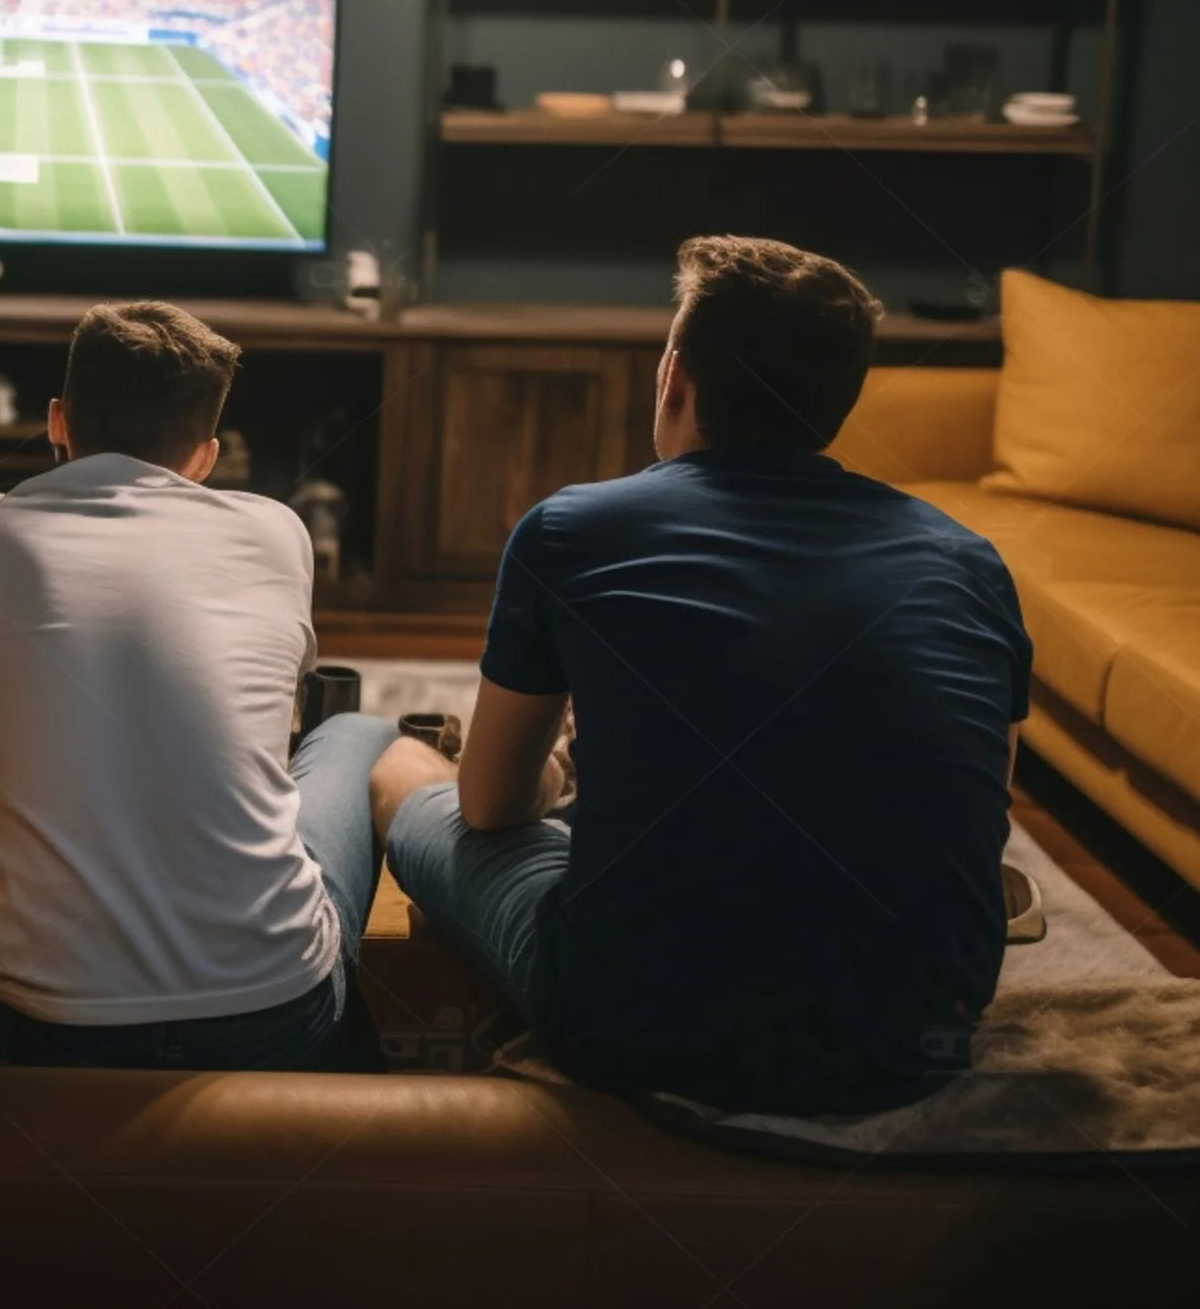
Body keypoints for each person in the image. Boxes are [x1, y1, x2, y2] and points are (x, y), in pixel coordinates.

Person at [372, 236, 1029, 1115]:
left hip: (634, 1024)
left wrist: (559, 774)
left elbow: (489, 805)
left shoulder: (571, 530)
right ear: (839, 398)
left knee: (396, 767)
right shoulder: (972, 562)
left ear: (673, 375)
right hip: (914, 1039)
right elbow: (981, 816)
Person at [0, 301, 392, 1072]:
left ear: (56, 420)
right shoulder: (278, 530)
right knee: (355, 733)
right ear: (207, 455)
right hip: (272, 1017)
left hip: (35, 1020)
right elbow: (275, 721)